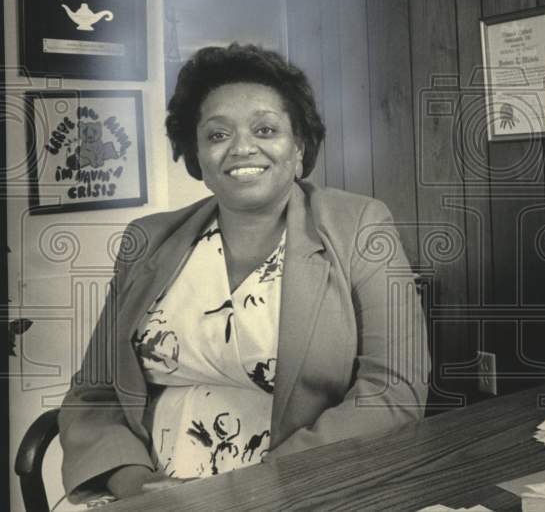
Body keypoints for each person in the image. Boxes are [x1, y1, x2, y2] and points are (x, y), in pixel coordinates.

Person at [58, 43, 429, 506]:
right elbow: (95, 391)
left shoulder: (359, 226)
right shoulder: (147, 240)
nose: (241, 147)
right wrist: (136, 483)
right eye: (217, 135)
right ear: (197, 158)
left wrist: (254, 487)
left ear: (298, 148)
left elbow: (394, 391)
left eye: (265, 129)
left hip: (302, 486)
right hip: (154, 493)